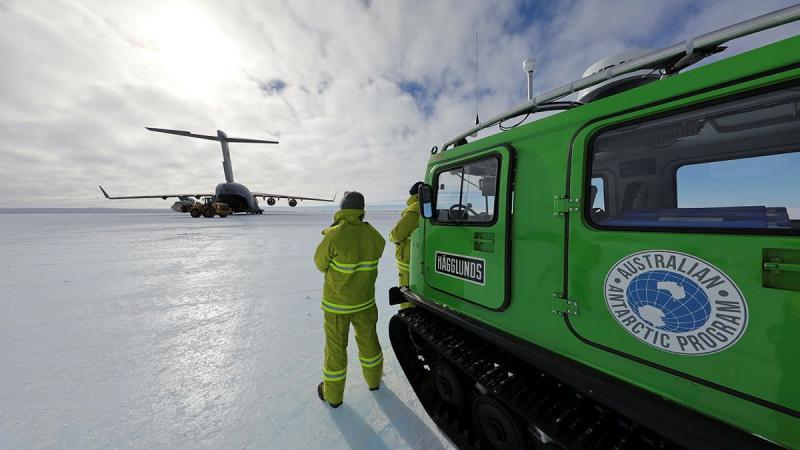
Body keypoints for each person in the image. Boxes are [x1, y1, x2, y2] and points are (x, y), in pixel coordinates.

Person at [314, 191, 386, 408]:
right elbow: (381, 247)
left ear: (343, 208)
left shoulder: (334, 235)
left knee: (335, 350)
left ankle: (333, 397)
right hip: (365, 302)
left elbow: (320, 263)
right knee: (369, 341)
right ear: (361, 210)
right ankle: (374, 381)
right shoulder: (373, 235)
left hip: (337, 305)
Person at [389, 182, 422, 297]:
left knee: (408, 298)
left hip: (408, 264)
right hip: (421, 262)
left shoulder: (414, 209)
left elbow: (397, 234)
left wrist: (391, 236)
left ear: (414, 195)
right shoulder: (429, 208)